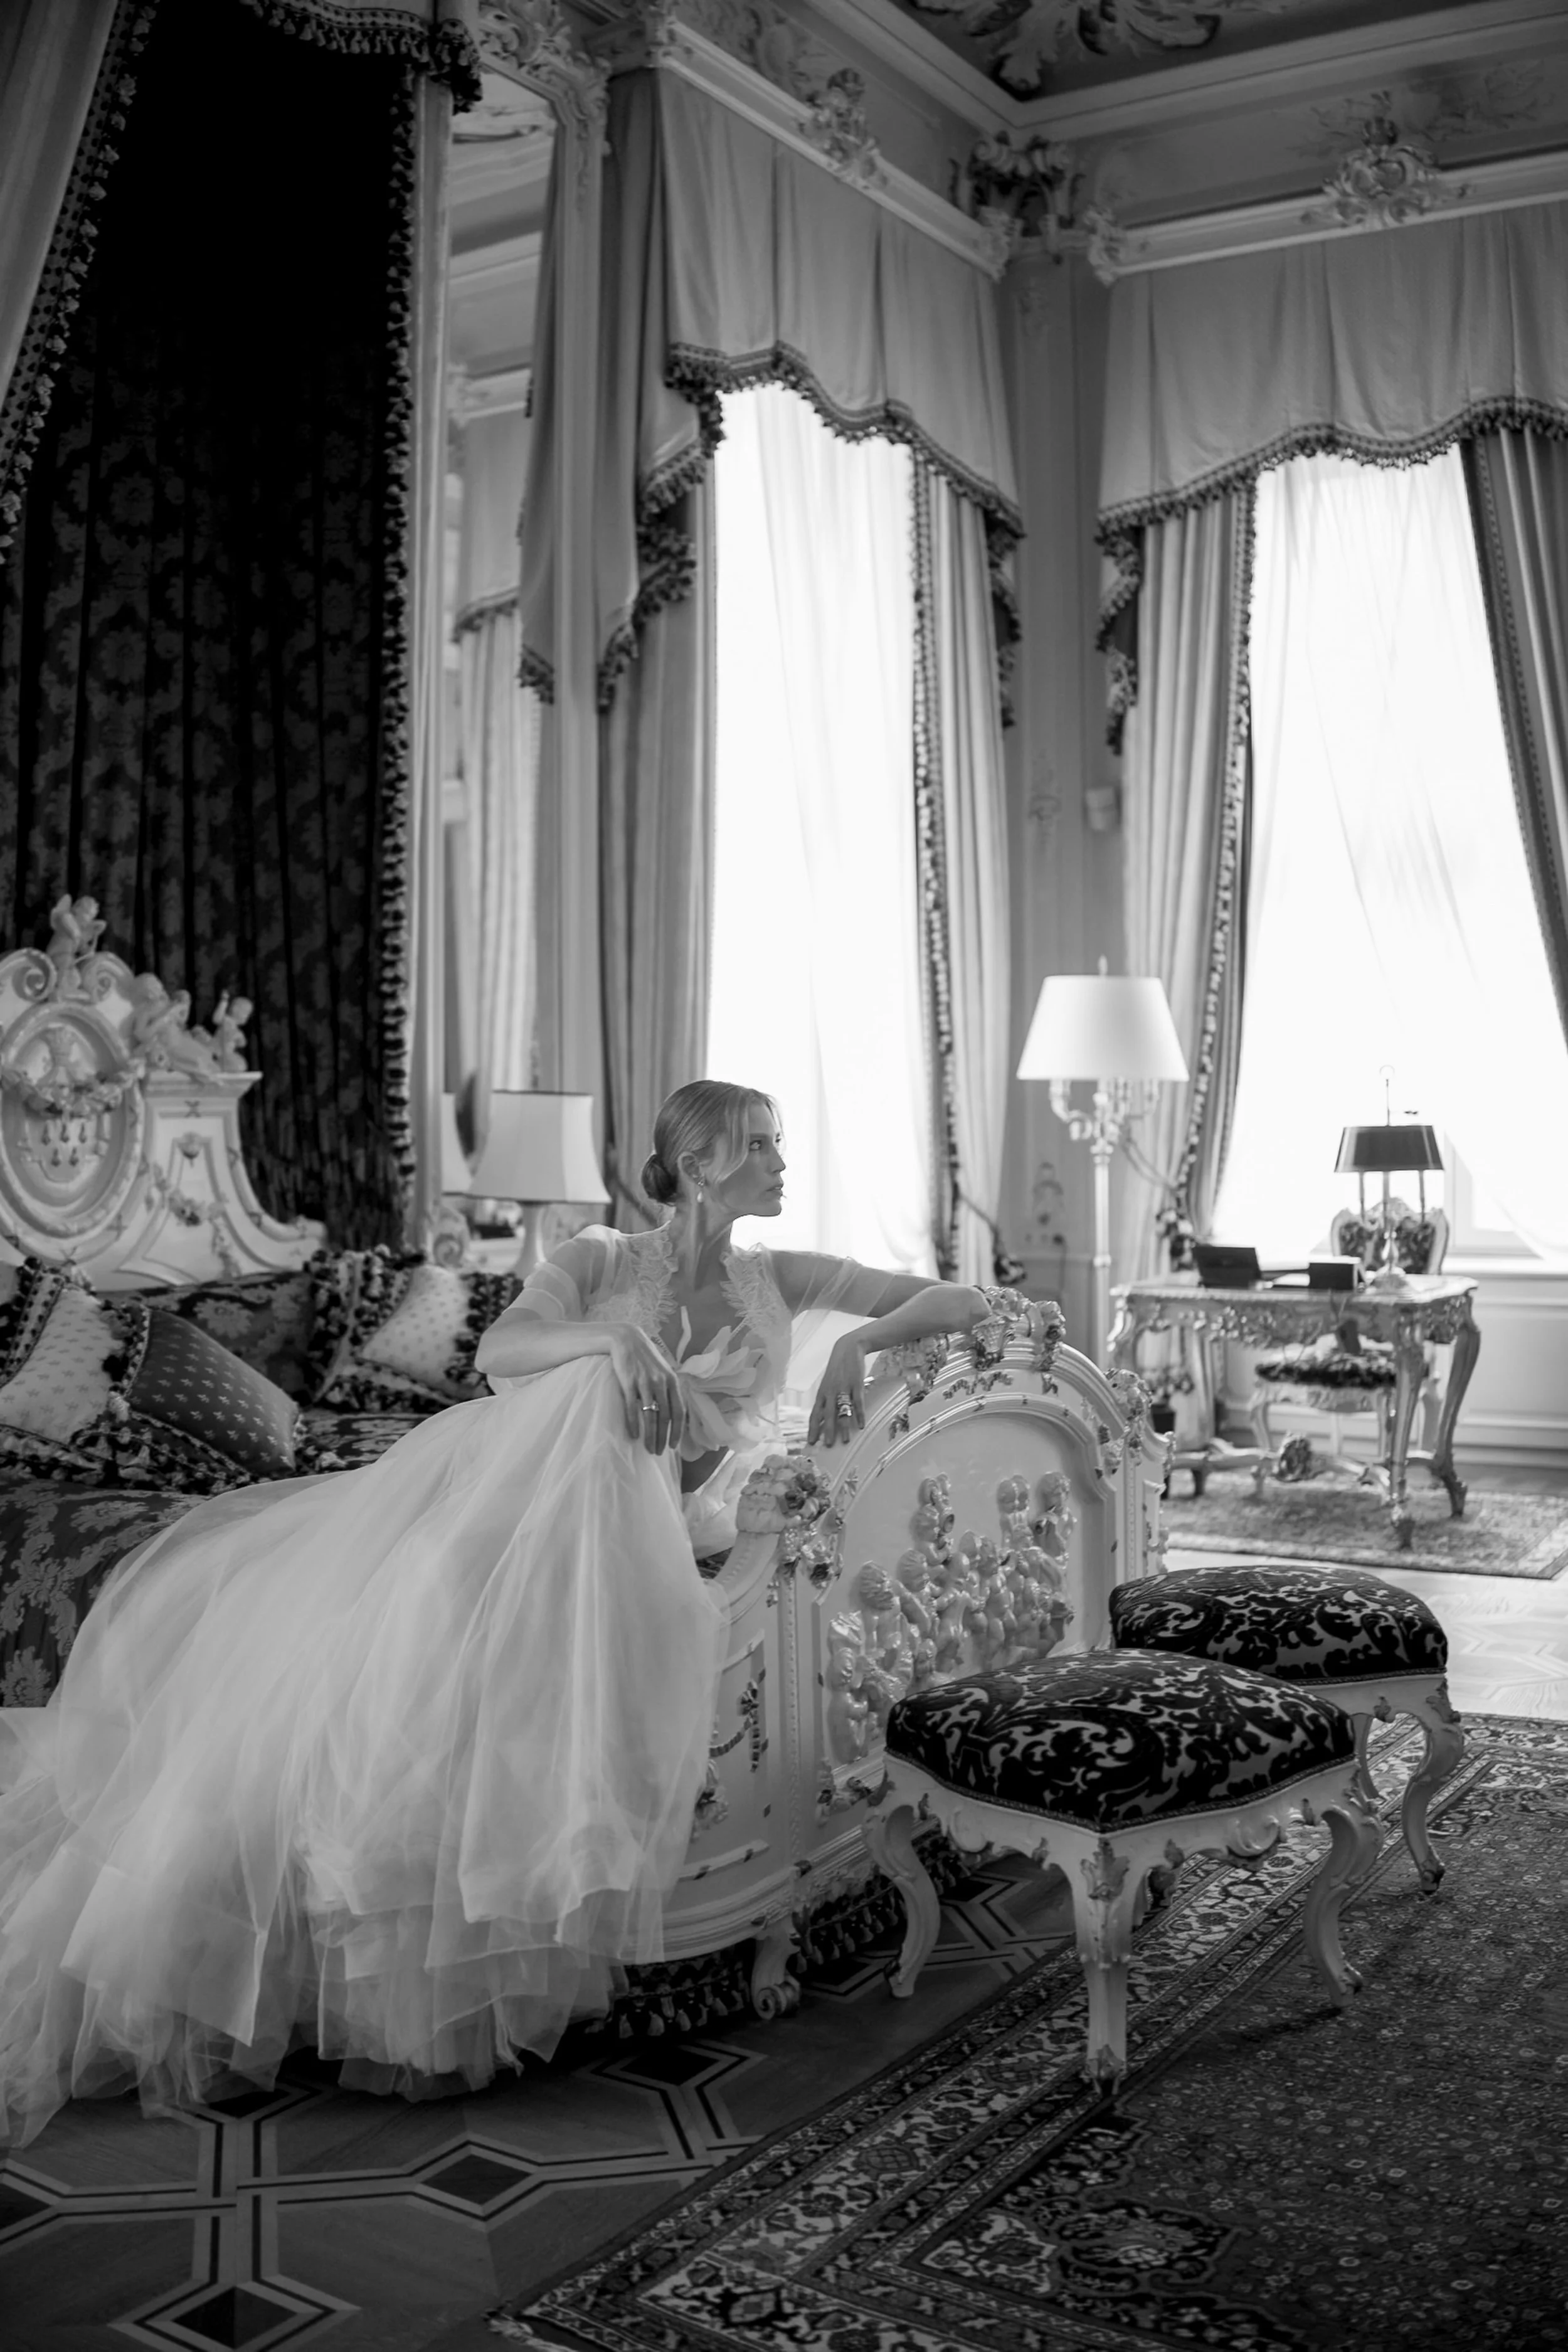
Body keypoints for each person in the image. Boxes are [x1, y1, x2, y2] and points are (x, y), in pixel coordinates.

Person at [0, 1081, 987, 2147]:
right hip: (509, 1515)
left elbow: (962, 1302)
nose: (783, 1161)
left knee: (611, 1460)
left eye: (780, 1142)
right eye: (761, 1145)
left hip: (643, 1520)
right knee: (566, 1434)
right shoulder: (603, 1260)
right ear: (700, 1167)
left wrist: (858, 1341)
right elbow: (499, 1352)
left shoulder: (777, 1279)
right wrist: (612, 1343)